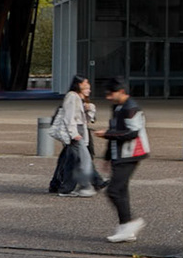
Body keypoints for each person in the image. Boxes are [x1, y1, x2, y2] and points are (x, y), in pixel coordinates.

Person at [93, 77, 149, 243]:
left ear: (122, 92)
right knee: (120, 190)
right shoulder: (118, 107)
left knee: (114, 190)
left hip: (131, 154)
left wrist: (107, 134)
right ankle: (126, 227)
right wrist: (107, 157)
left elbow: (132, 133)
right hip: (120, 154)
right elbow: (115, 132)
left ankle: (129, 224)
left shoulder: (131, 108)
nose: (108, 97)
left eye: (111, 94)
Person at [47, 76, 97, 196]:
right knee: (80, 159)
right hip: (74, 131)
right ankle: (84, 185)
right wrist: (73, 133)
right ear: (79, 84)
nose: (88, 87)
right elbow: (68, 117)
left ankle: (65, 186)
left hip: (80, 131)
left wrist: (90, 108)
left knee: (73, 159)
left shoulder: (80, 98)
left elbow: (88, 119)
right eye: (85, 84)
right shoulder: (72, 96)